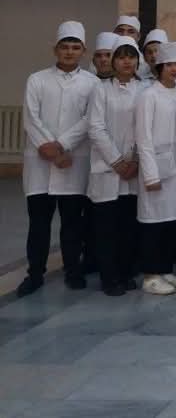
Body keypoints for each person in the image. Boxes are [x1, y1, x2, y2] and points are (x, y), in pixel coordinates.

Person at [19, 21, 99, 296]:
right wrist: (50, 149)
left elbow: (89, 120)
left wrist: (62, 145)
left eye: (75, 47)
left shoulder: (92, 83)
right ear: (55, 49)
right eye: (64, 47)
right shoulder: (37, 79)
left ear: (84, 52)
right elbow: (31, 118)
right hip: (40, 161)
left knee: (72, 224)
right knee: (39, 224)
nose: (69, 52)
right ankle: (35, 274)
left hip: (73, 161)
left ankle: (73, 271)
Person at [86, 35, 144, 296]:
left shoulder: (144, 90)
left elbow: (146, 128)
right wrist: (117, 161)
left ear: (137, 61)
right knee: (106, 229)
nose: (126, 62)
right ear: (113, 61)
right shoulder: (100, 89)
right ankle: (109, 278)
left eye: (131, 57)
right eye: (121, 57)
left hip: (134, 169)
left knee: (128, 227)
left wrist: (135, 160)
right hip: (107, 168)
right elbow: (95, 128)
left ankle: (126, 272)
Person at [135, 41, 176, 295]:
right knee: (153, 223)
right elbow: (143, 138)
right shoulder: (149, 95)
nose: (174, 69)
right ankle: (150, 276)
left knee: (171, 222)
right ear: (159, 67)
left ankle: (166, 269)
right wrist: (150, 174)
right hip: (155, 165)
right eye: (169, 65)